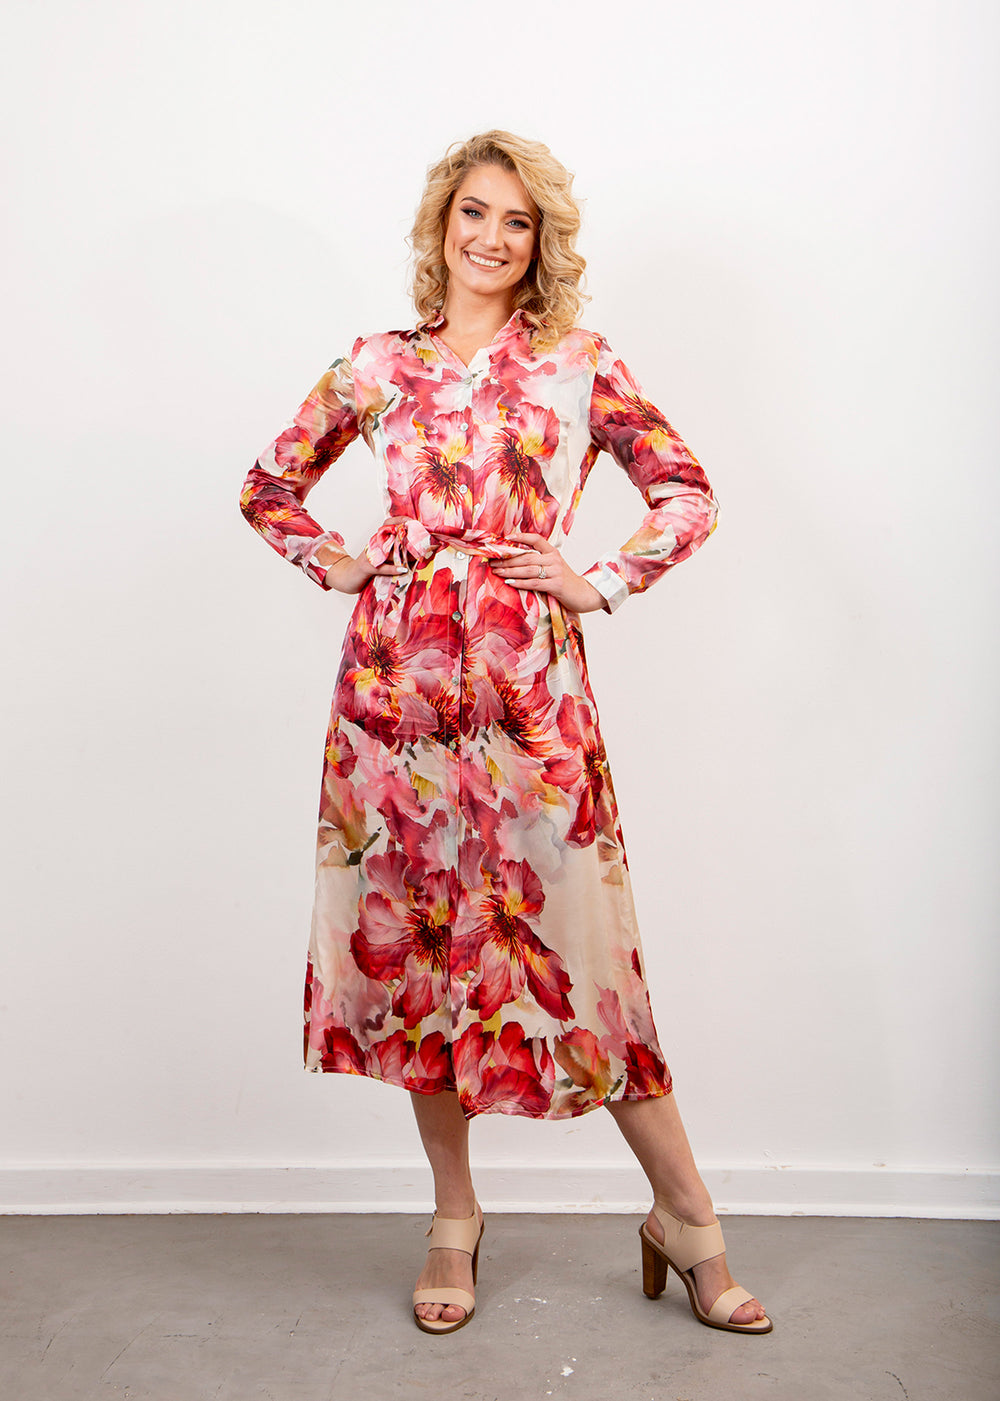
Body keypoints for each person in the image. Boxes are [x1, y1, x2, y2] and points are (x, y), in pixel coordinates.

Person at [240, 130, 771, 1338]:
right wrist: (337, 561)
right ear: (441, 225)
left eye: (516, 221)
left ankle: (685, 1216)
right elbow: (268, 487)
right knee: (425, 956)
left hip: (533, 694)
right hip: (396, 698)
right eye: (472, 212)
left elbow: (686, 492)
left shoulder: (580, 365)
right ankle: (453, 1216)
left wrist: (599, 581)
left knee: (586, 957)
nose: (490, 237)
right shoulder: (376, 364)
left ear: (541, 245)